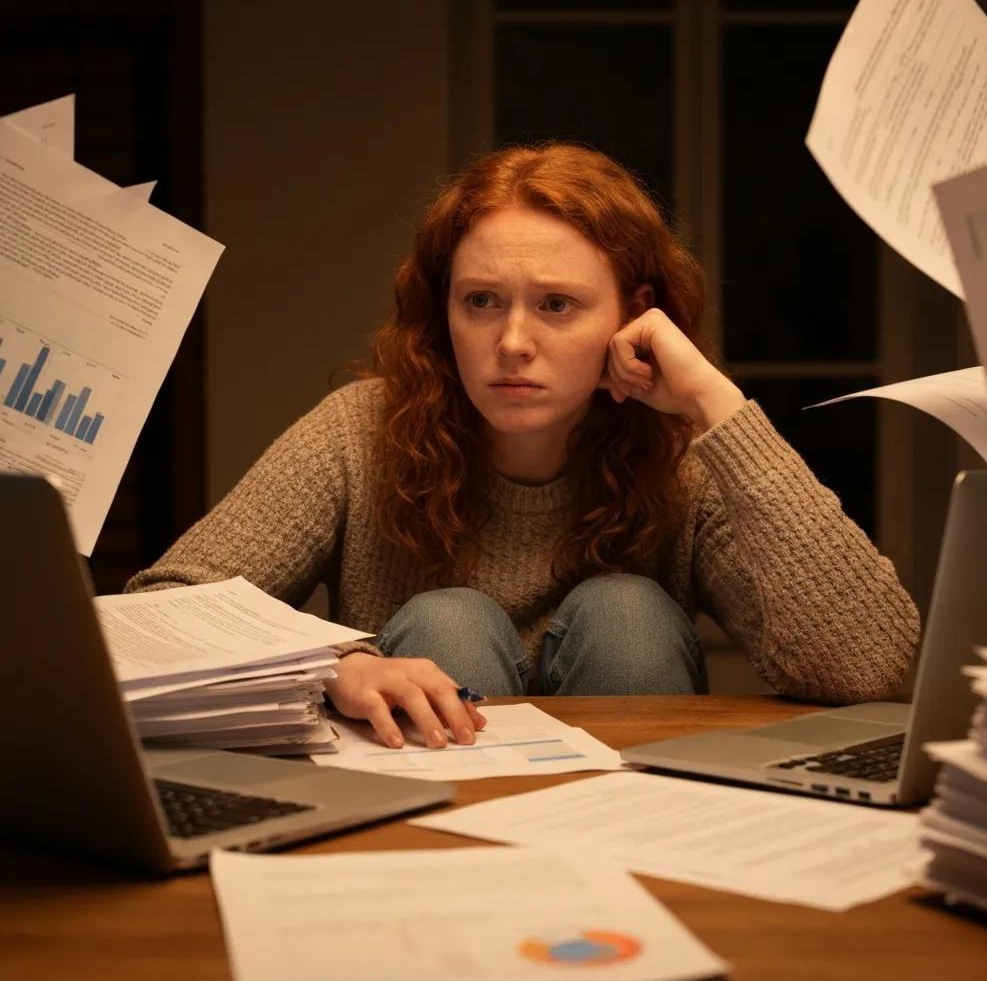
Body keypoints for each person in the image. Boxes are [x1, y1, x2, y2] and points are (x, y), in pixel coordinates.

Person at [126, 143, 920, 752]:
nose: (512, 342)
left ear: (635, 313)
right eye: (481, 301)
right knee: (447, 622)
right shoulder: (359, 431)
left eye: (557, 305)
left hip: (635, 822)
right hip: (430, 822)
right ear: (442, 312)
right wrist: (338, 667)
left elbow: (869, 665)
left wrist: (716, 405)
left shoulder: (681, 453)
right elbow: (157, 614)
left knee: (627, 613)